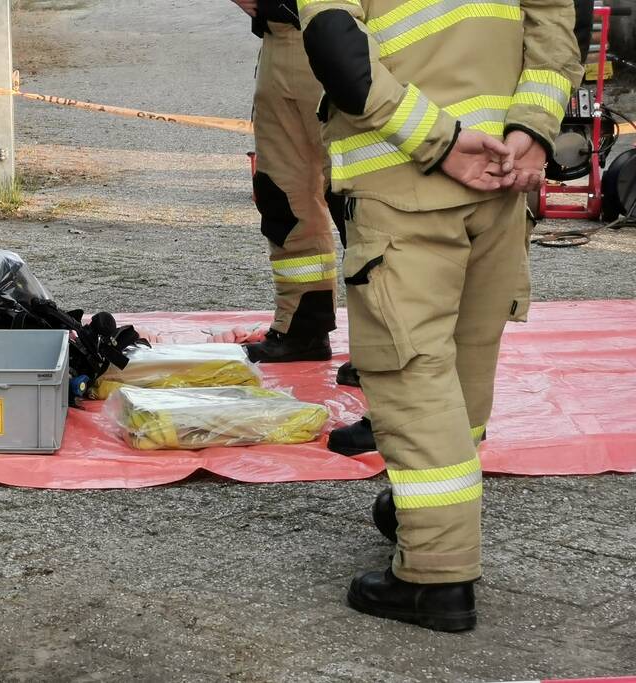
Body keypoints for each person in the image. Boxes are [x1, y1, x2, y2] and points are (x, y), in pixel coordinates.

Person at [295, 0, 582, 631]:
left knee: (412, 371)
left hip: (407, 183)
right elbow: (559, 23)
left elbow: (336, 44)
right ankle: (416, 513)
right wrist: (531, 131)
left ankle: (436, 576)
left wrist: (441, 142)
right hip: (504, 184)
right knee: (466, 364)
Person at [231, 0, 340, 364]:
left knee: (357, 199)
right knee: (282, 195)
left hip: (340, 37)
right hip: (277, 42)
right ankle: (303, 328)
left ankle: (386, 344)